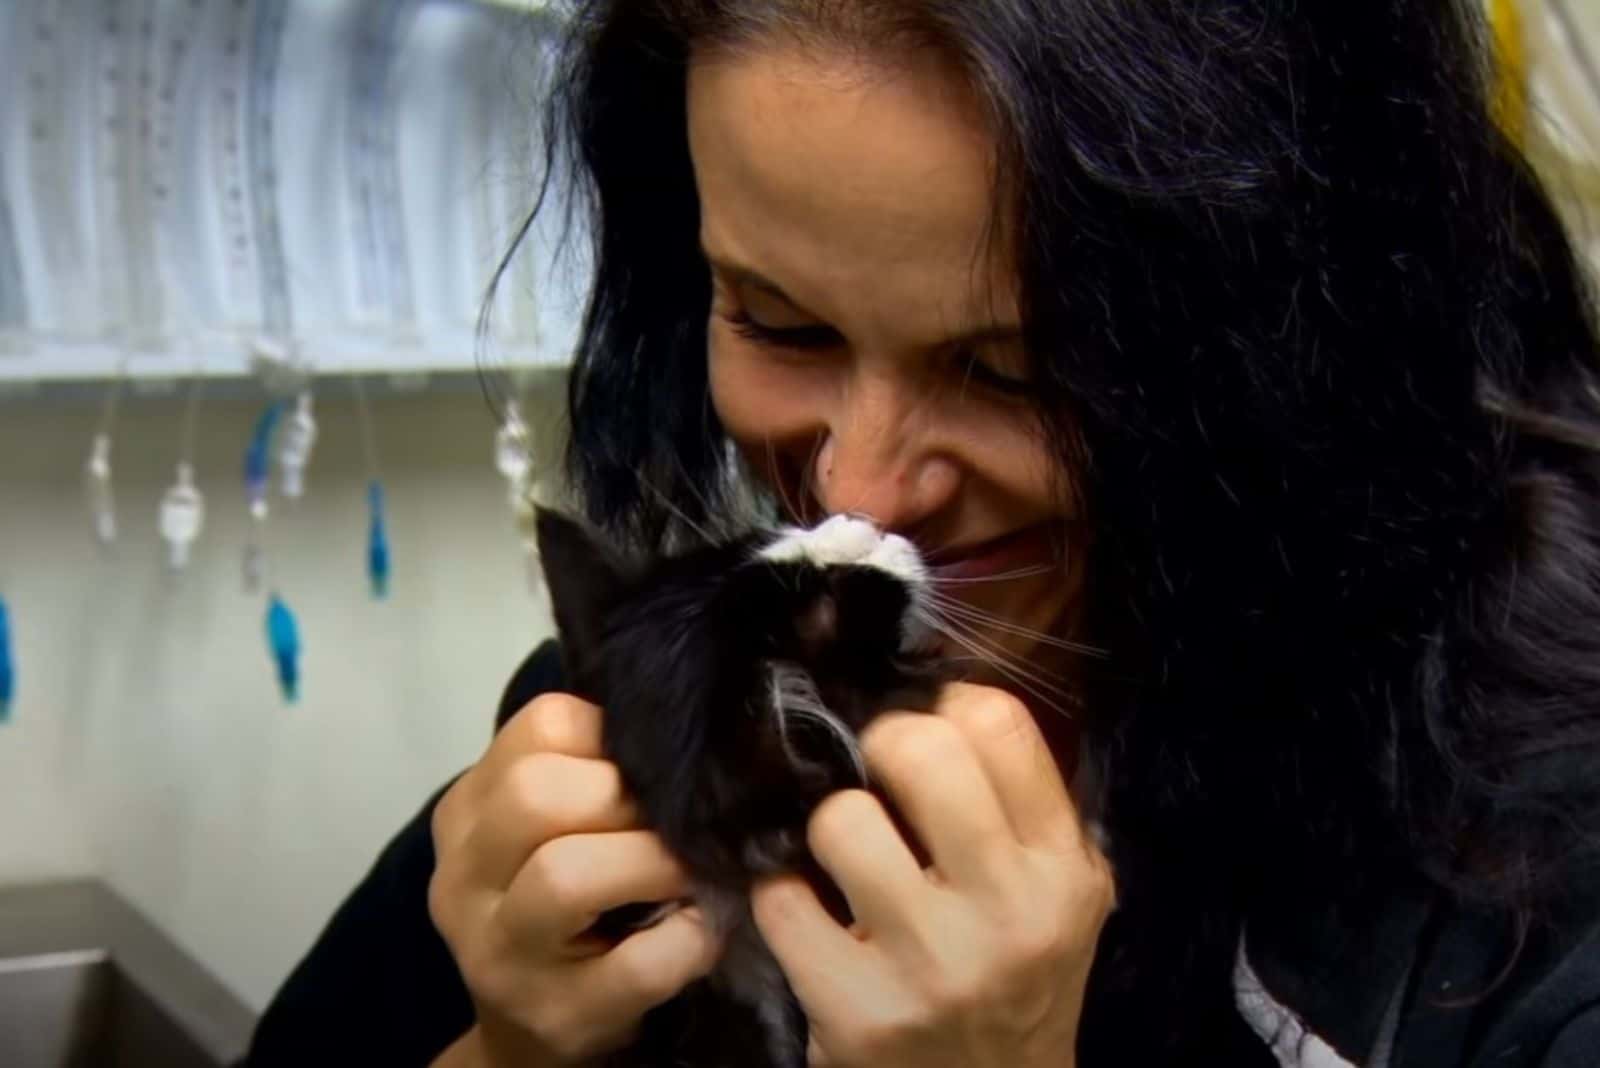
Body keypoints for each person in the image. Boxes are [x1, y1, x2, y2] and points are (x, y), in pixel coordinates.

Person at [244, 1, 1600, 1065]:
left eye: (1015, 373)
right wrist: (515, 1050)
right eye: (780, 323)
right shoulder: (661, 707)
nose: (861, 493)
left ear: (1287, 344)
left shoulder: (1528, 903)